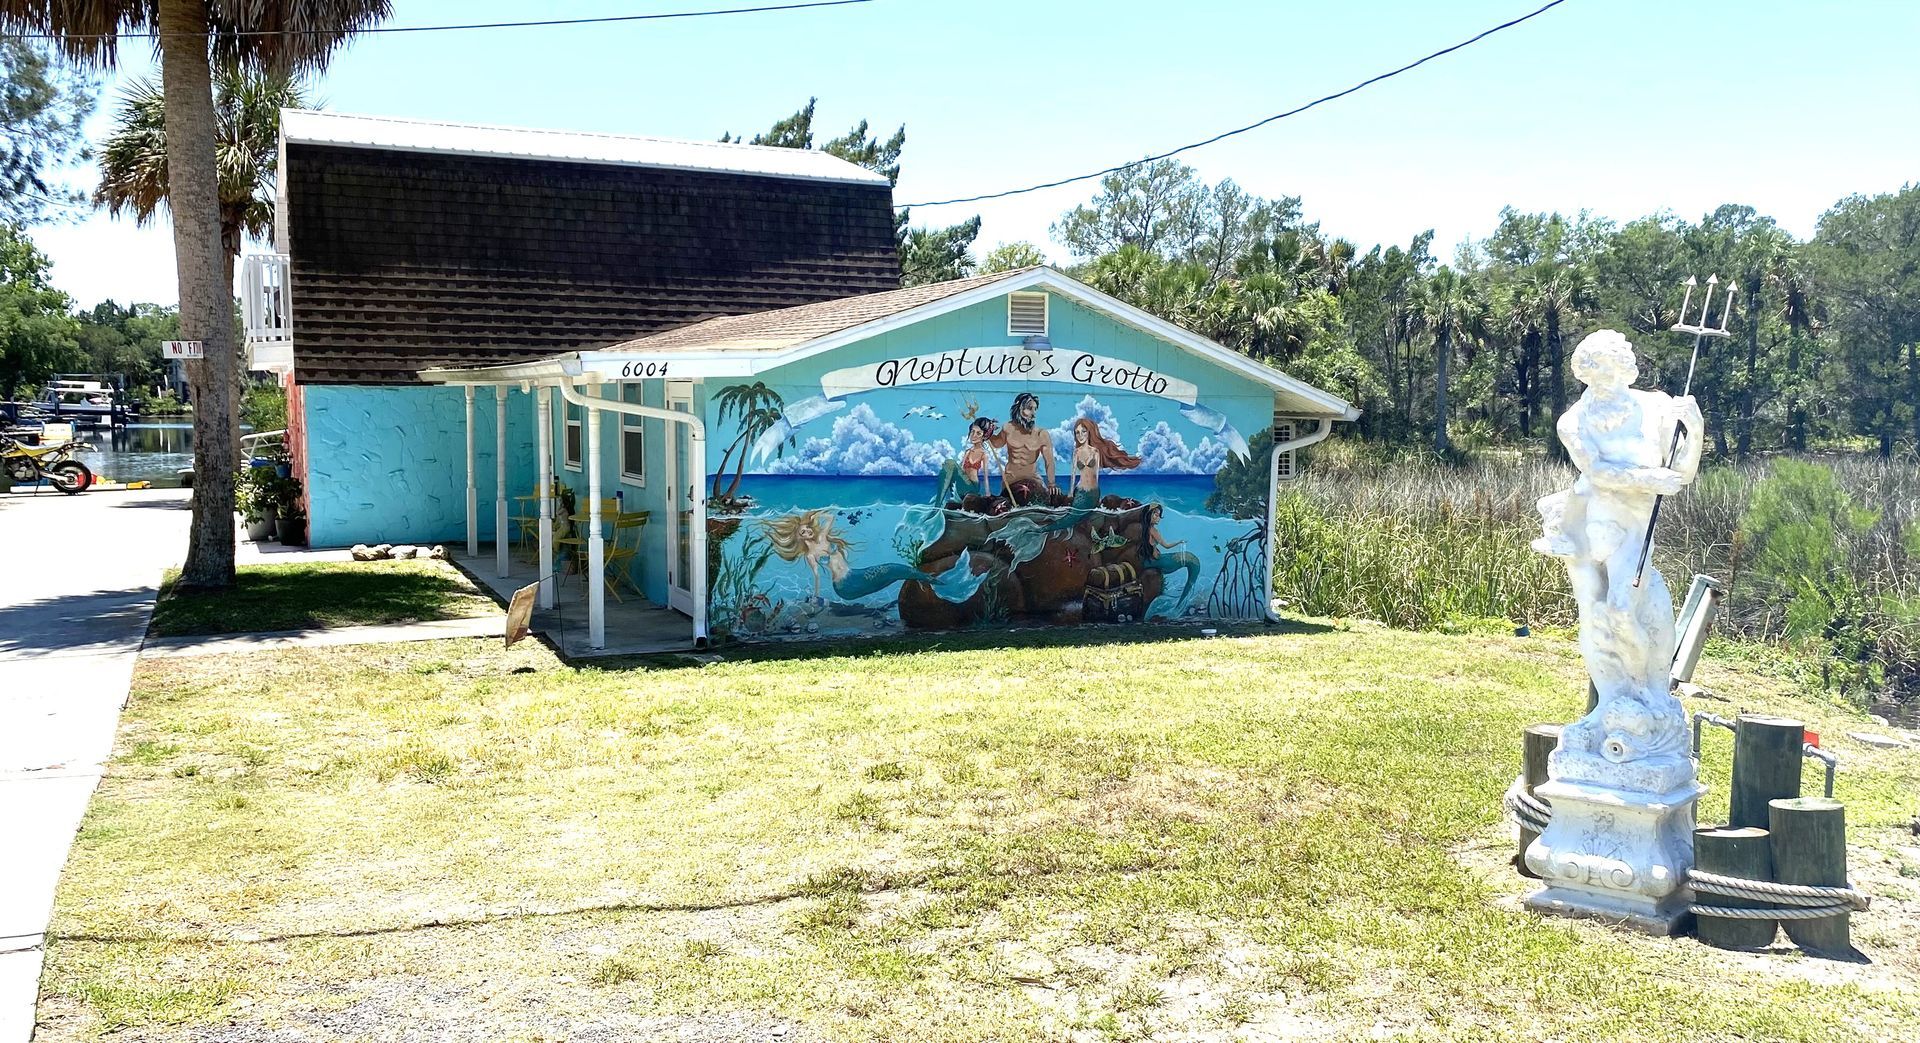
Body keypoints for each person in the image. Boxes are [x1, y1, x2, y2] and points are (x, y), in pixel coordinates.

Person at [761, 508, 989, 605]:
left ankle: (937, 582)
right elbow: (817, 577)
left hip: (856, 576)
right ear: (800, 538)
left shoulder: (823, 538)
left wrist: (814, 515)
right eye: (803, 532)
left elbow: (829, 517)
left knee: (894, 570)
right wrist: (817, 597)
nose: (807, 532)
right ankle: (935, 581)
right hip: (846, 587)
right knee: (893, 570)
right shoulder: (810, 554)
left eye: (807, 528)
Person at [991, 392, 1057, 506]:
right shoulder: (1008, 428)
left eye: (1035, 409)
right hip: (1011, 481)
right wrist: (988, 433)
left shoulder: (1042, 434)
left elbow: (1049, 462)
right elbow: (997, 443)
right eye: (1030, 409)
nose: (1033, 414)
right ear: (1020, 409)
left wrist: (1051, 484)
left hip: (1033, 480)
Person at [1067, 416, 1142, 509]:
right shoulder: (1076, 452)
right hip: (1080, 490)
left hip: (1093, 492)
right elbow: (1073, 474)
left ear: (1089, 432)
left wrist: (1098, 495)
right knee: (1075, 515)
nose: (1080, 435)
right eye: (1077, 432)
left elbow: (1096, 474)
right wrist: (1070, 492)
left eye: (1083, 431)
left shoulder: (1095, 451)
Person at [933, 416, 999, 505]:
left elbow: (985, 476)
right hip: (963, 484)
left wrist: (988, 495)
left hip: (973, 488)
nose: (973, 436)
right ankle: (940, 502)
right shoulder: (968, 452)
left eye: (978, 433)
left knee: (950, 463)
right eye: (972, 431)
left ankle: (938, 504)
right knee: (949, 464)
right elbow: (961, 468)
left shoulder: (984, 454)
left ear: (984, 436)